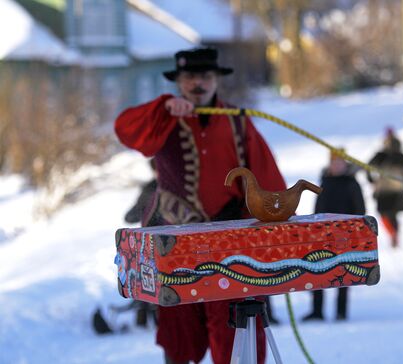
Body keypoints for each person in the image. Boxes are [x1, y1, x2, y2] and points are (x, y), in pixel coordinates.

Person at [114, 47, 286, 364]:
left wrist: (268, 234)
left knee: (234, 333)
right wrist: (163, 108)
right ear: (179, 82)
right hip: (173, 241)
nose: (198, 84)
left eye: (205, 76)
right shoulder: (161, 120)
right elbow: (124, 129)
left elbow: (267, 181)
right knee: (179, 334)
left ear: (216, 80)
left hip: (229, 246)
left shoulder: (238, 122)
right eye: (190, 77)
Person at [302, 149, 366, 322]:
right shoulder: (325, 181)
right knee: (317, 271)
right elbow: (318, 207)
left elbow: (360, 210)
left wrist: (354, 231)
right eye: (334, 162)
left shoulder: (351, 183)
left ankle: (341, 311)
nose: (336, 165)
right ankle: (317, 311)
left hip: (345, 236)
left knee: (344, 272)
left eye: (340, 162)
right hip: (323, 234)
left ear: (345, 164)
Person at [366, 128, 403, 248]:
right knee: (393, 215)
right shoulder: (401, 156)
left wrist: (371, 180)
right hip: (397, 190)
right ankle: (394, 233)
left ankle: (392, 233)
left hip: (383, 190)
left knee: (384, 214)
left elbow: (367, 167)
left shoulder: (381, 155)